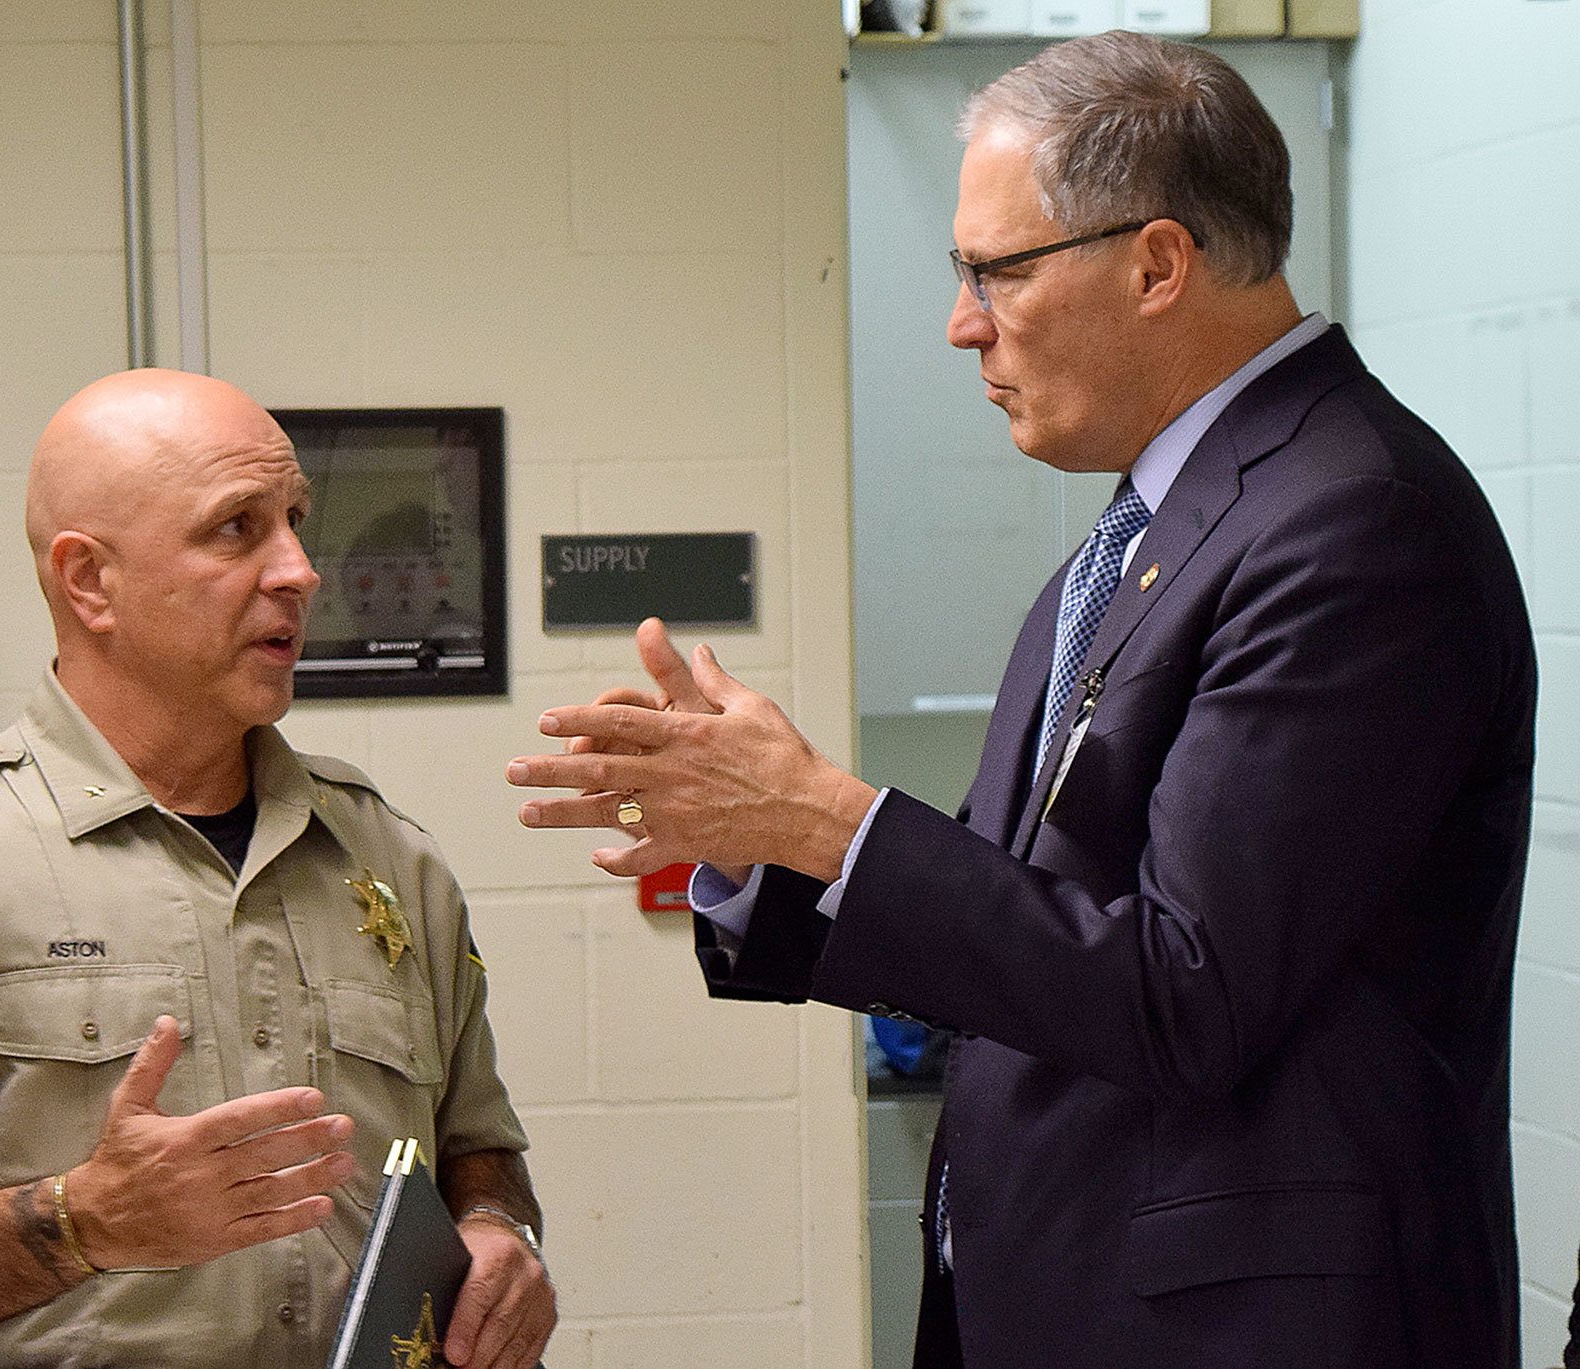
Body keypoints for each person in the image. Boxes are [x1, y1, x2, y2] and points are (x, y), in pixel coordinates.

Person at [507, 30, 1531, 1369]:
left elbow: (1182, 988)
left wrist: (832, 822)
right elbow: (1030, 921)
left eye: (999, 271)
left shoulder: (1352, 523)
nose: (961, 320)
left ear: (1157, 263)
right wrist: (773, 838)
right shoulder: (1141, 535)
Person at [0, 370, 556, 1369]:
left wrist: (503, 1234)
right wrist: (83, 1221)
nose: (299, 569)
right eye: (237, 528)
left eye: (293, 519)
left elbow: (477, 1151)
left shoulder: (387, 855)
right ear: (89, 582)